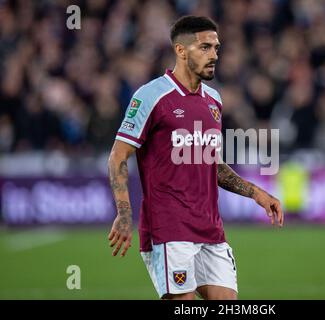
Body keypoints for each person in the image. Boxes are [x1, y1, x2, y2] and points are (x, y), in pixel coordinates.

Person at [107, 15, 283, 300]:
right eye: (205, 47)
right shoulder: (151, 96)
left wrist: (255, 193)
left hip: (210, 228)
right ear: (180, 50)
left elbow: (209, 162)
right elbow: (118, 156)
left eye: (216, 47)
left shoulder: (214, 100)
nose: (214, 55)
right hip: (169, 229)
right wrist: (125, 214)